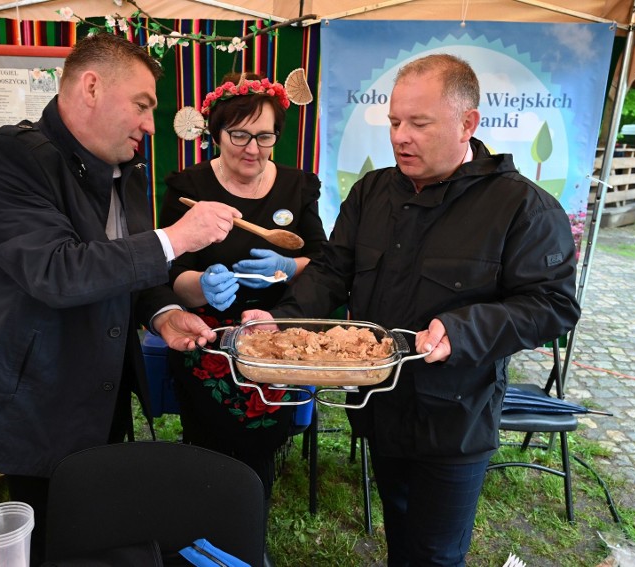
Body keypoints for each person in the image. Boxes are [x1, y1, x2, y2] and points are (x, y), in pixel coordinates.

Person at [243, 54, 581, 566]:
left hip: (455, 419)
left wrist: (463, 329)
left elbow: (552, 305)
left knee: (436, 553)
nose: (401, 136)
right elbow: (334, 268)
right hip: (380, 408)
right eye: (395, 121)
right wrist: (280, 320)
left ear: (468, 123)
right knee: (400, 531)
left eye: (419, 123)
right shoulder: (373, 192)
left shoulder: (521, 207)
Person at [0, 33, 241, 566]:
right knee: (49, 542)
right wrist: (177, 238)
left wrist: (162, 313)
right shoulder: (10, 160)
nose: (151, 125)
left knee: (97, 533)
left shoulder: (127, 175)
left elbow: (121, 274)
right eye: (142, 105)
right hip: (39, 401)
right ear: (90, 87)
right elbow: (57, 272)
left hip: (105, 392)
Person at [158, 73, 327, 503]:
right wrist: (202, 286)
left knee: (259, 445)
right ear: (215, 133)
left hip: (277, 332)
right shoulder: (188, 187)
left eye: (264, 136)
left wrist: (290, 266)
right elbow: (169, 272)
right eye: (239, 135)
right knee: (209, 437)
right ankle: (208, 506)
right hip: (206, 333)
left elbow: (326, 262)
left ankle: (250, 504)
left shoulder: (297, 185)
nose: (253, 148)